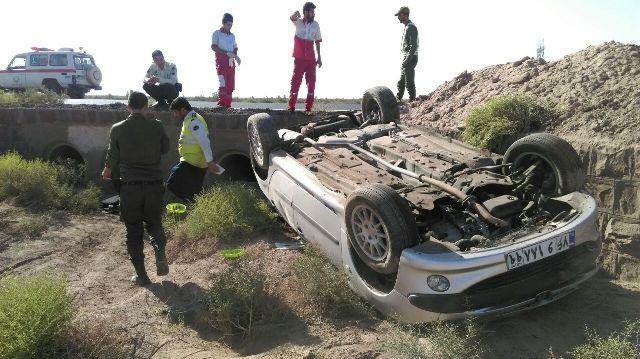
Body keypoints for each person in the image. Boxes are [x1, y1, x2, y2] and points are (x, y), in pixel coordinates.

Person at [102, 91, 170, 286]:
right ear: (146, 106)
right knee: (155, 223)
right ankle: (160, 254)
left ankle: (142, 276)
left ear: (128, 107)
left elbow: (112, 155)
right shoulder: (157, 126)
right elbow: (165, 149)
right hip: (153, 185)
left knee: (133, 231)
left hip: (130, 187)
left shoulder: (118, 128)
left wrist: (107, 172)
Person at [166, 97, 220, 202]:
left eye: (176, 112)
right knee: (195, 193)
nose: (175, 115)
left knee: (172, 183)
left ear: (182, 110)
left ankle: (192, 201)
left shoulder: (193, 120)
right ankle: (197, 206)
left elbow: (205, 142)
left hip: (192, 163)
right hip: (196, 163)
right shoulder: (191, 119)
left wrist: (210, 162)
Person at [288, 2, 322, 113]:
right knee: (295, 82)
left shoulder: (316, 25)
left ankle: (308, 108)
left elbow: (317, 41)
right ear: (306, 12)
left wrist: (319, 57)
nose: (313, 13)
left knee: (311, 83)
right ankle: (291, 107)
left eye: (314, 11)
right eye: (312, 11)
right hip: (299, 58)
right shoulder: (298, 22)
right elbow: (291, 18)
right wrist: (295, 13)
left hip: (311, 59)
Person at [211, 13, 241, 108]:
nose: (230, 27)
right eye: (228, 24)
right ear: (223, 23)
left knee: (230, 83)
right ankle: (222, 103)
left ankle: (228, 104)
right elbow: (214, 47)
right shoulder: (217, 33)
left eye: (231, 25)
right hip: (221, 60)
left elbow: (235, 47)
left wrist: (235, 56)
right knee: (222, 82)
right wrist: (226, 53)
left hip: (231, 61)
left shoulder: (232, 36)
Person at [395, 6, 419, 102]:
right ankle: (398, 99)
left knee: (409, 82)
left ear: (405, 15)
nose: (398, 17)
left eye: (399, 15)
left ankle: (412, 101)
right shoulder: (407, 27)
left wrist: (407, 59)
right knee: (401, 81)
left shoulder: (410, 27)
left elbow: (414, 46)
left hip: (411, 57)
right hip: (407, 57)